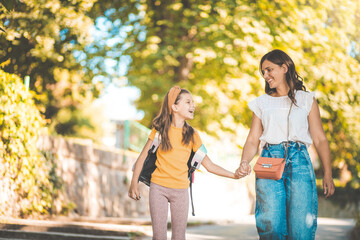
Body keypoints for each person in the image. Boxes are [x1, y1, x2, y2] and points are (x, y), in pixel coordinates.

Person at [235, 49, 335, 240]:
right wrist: (244, 161)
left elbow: (320, 139)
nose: (266, 76)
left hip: (300, 160)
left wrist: (328, 173)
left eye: (269, 69)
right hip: (269, 159)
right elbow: (252, 139)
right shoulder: (261, 103)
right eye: (263, 72)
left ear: (284, 67)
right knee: (270, 224)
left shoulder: (307, 100)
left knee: (301, 229)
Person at [129, 86, 240, 240]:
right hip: (158, 188)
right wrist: (134, 183)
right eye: (188, 102)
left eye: (193, 102)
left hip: (181, 191)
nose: (193, 105)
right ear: (174, 107)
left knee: (179, 237)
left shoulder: (193, 135)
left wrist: (233, 175)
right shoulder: (159, 130)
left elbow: (209, 165)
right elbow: (142, 157)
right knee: (159, 236)